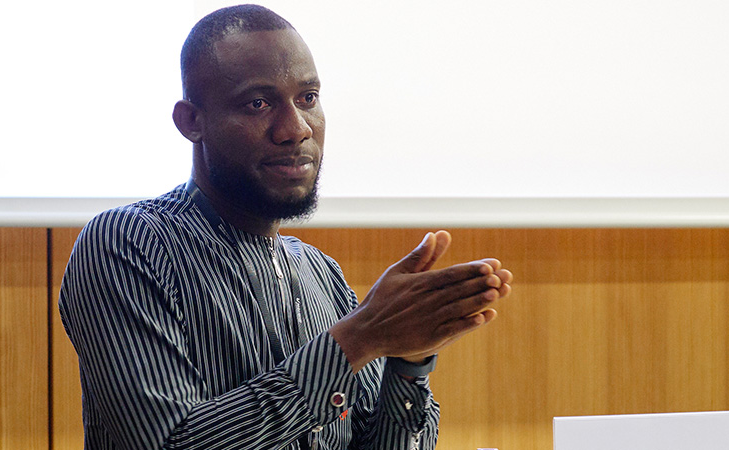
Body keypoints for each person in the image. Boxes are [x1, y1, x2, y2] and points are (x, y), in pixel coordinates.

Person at [58, 4, 513, 450]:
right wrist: (357, 339)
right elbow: (171, 442)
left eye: (308, 99)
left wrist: (409, 363)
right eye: (258, 103)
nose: (295, 128)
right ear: (191, 122)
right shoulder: (126, 244)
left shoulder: (321, 275)